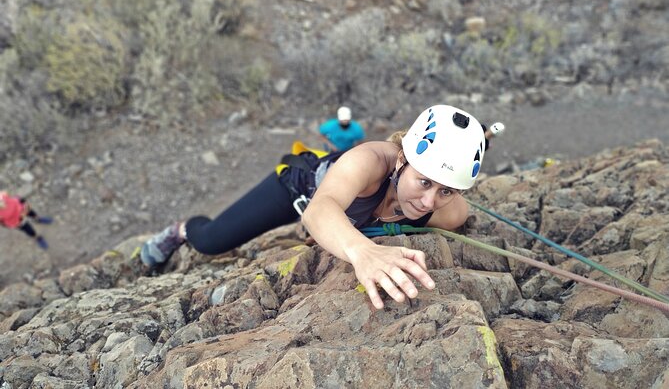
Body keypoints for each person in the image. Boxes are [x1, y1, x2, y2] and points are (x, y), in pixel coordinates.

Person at [141, 105, 490, 309]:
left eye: (447, 191)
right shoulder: (367, 161)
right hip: (299, 187)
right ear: (401, 158)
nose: (429, 201)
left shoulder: (451, 212)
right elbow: (319, 210)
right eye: (424, 181)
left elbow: (438, 210)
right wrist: (362, 251)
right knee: (212, 241)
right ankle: (182, 230)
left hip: (344, 211)